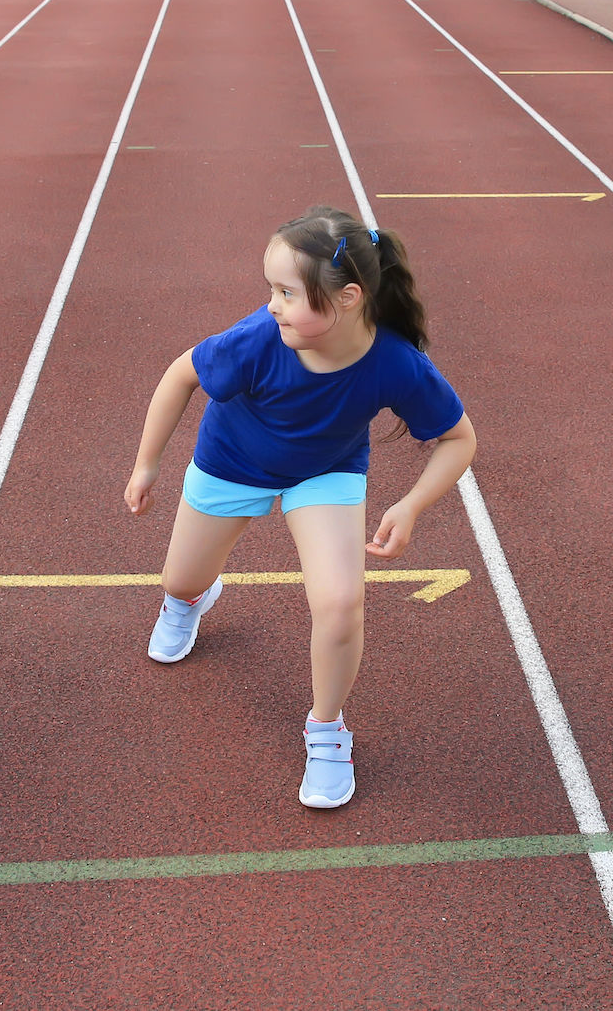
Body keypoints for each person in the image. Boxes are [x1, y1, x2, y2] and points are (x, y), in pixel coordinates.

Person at [123, 206, 476, 809]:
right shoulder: (259, 339)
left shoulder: (394, 363)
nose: (272, 304)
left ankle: (327, 730)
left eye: (287, 292)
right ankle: (189, 599)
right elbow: (180, 375)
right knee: (179, 577)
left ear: (347, 298)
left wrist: (413, 504)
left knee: (341, 601)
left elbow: (459, 438)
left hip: (325, 474)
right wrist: (147, 463)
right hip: (231, 462)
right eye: (272, 290)